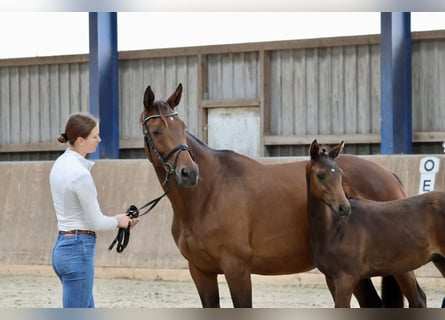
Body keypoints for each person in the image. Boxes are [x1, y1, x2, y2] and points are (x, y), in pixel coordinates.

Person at [50, 112, 138, 308]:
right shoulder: (80, 174)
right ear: (80, 140)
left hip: (62, 247)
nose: (99, 139)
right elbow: (96, 222)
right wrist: (119, 221)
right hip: (78, 251)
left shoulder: (59, 164)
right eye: (94, 136)